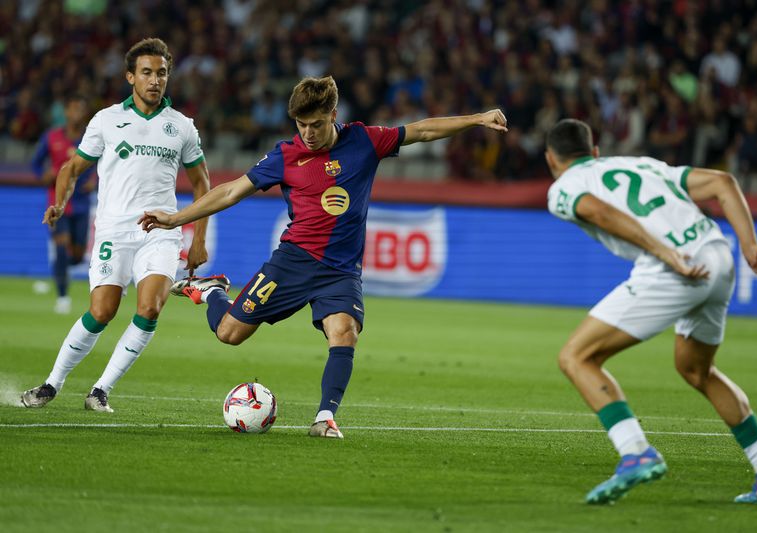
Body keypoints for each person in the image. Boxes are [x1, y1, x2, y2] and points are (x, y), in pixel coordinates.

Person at [139, 76, 507, 438]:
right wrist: (175, 217)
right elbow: (231, 191)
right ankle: (212, 291)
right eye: (301, 125)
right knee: (229, 334)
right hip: (293, 261)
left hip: (341, 271)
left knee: (344, 332)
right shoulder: (285, 155)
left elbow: (423, 131)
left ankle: (325, 417)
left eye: (316, 124)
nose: (308, 133)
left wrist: (476, 119)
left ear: (333, 114)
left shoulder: (364, 140)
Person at [544, 119, 757, 504]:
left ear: (551, 159)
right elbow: (722, 183)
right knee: (696, 369)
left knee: (576, 357)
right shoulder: (641, 164)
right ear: (595, 152)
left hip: (674, 267)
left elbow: (597, 211)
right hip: (718, 255)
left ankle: (635, 452)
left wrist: (662, 252)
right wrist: (750, 245)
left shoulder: (563, 187)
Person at [21, 38, 210, 412]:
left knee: (150, 308)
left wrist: (198, 240)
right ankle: (51, 384)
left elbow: (203, 183)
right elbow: (71, 168)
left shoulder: (182, 127)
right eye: (146, 73)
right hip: (113, 231)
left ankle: (101, 390)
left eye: (161, 73)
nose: (155, 80)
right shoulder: (106, 120)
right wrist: (59, 203)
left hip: (160, 233)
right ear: (130, 77)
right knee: (102, 310)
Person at [31, 94, 95, 314]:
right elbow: (36, 163)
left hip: (82, 204)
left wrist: (96, 180)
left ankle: (59, 272)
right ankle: (62, 296)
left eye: (80, 109)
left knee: (77, 255)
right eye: (73, 109)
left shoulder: (92, 136)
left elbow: (106, 162)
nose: (76, 113)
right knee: (61, 246)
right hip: (58, 203)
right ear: (66, 112)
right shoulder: (52, 137)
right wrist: (44, 174)